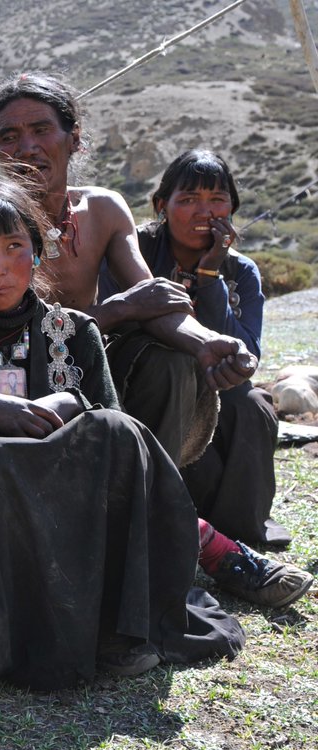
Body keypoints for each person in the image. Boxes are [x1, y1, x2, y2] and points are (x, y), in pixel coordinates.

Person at [0, 181, 258, 690]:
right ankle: (25, 625)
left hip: (71, 510)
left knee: (115, 428)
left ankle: (116, 628)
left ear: (38, 253)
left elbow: (117, 439)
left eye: (14, 247)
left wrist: (71, 401)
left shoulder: (75, 331)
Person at [0, 73, 257, 467]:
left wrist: (205, 343)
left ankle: (149, 499)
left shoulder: (103, 210)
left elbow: (154, 300)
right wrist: (117, 310)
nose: (27, 147)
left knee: (171, 363)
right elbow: (4, 336)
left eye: (42, 129)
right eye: (9, 137)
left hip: (86, 362)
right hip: (10, 370)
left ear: (74, 139)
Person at [100, 150, 291, 550]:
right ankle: (166, 516)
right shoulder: (133, 253)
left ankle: (239, 529)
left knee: (253, 405)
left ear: (233, 208)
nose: (203, 212)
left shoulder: (241, 271)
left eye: (217, 200)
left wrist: (209, 274)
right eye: (187, 200)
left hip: (214, 384)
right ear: (161, 206)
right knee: (172, 381)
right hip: (148, 380)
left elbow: (246, 353)